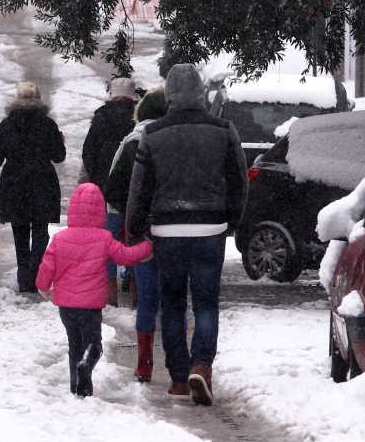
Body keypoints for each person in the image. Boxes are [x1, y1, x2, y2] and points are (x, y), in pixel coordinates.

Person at [125, 64, 248, 406]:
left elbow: (140, 188)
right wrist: (232, 220)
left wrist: (134, 228)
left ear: (170, 94)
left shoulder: (153, 134)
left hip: (167, 229)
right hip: (210, 227)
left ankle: (179, 378)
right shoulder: (223, 130)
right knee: (207, 303)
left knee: (174, 304)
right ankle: (202, 366)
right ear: (201, 92)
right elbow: (238, 180)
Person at [36, 183, 153, 397]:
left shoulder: (60, 239)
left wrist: (44, 288)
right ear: (100, 210)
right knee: (94, 345)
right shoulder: (104, 238)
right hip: (90, 306)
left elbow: (46, 267)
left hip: (66, 305)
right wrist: (147, 246)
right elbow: (125, 257)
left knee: (74, 345)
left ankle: (77, 387)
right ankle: (86, 368)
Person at [0, 81, 66, 293]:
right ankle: (36, 273)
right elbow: (59, 157)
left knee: (21, 233)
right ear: (39, 100)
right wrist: (59, 140)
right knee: (41, 232)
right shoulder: (48, 124)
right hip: (43, 183)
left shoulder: (6, 125)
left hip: (14, 185)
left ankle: (24, 277)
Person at [104, 87, 166, 382]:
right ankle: (181, 366)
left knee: (146, 291)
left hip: (139, 225)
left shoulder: (132, 141)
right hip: (174, 225)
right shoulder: (176, 138)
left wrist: (131, 214)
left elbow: (114, 185)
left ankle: (145, 362)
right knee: (174, 294)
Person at [81, 76, 137, 304]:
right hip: (135, 188)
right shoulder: (137, 119)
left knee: (108, 239)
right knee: (134, 238)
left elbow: (88, 152)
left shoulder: (101, 118)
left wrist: (97, 178)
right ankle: (135, 291)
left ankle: (110, 293)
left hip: (107, 191)